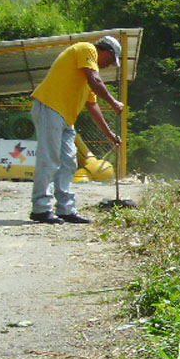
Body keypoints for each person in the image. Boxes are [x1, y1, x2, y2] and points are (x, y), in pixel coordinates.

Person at [29, 36, 124, 224]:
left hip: (65, 118)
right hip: (50, 107)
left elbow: (92, 106)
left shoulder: (88, 74)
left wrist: (109, 135)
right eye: (112, 61)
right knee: (49, 159)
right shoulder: (86, 49)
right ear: (108, 51)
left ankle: (66, 209)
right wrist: (113, 102)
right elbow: (96, 81)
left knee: (68, 163)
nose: (109, 65)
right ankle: (41, 208)